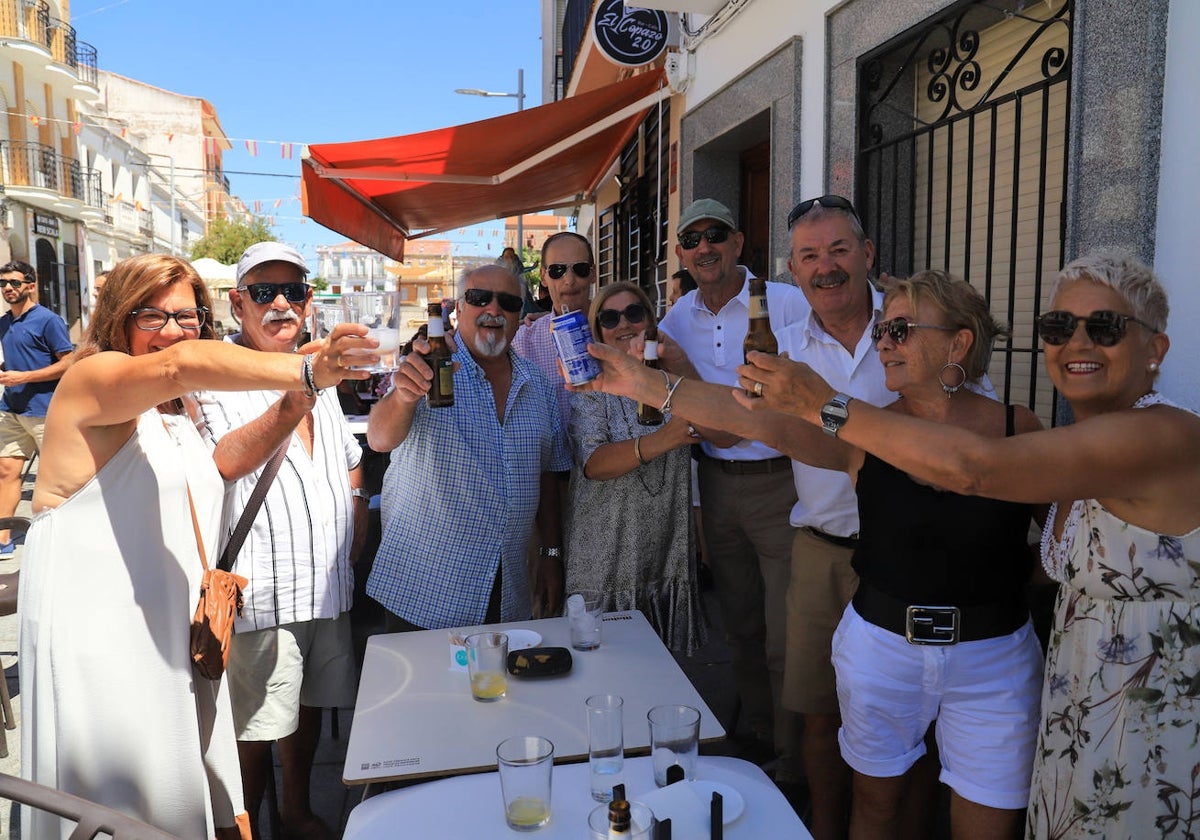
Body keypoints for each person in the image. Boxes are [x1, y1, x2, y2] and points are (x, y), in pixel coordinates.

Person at [733, 250, 1200, 839]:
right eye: (1058, 328)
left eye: (1103, 327)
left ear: (1155, 350)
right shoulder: (1077, 444)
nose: (1076, 343)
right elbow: (1057, 558)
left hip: (1150, 710)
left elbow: (970, 469)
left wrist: (818, 401)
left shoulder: (1157, 435)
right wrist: (647, 384)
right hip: (1083, 702)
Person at [574, 269, 1046, 838]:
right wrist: (648, 386)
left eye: (900, 329)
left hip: (994, 656)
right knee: (874, 806)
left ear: (959, 342)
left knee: (990, 820)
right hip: (883, 646)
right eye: (881, 331)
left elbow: (1059, 543)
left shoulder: (1018, 427)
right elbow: (752, 418)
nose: (884, 343)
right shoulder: (866, 428)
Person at [17, 253, 371, 839]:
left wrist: (312, 367)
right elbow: (181, 365)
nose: (174, 330)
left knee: (180, 798)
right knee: (115, 801)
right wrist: (306, 374)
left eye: (188, 317)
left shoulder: (173, 413)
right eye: (151, 315)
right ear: (116, 318)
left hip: (171, 637)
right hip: (102, 638)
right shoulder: (93, 378)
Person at [193, 242, 367, 840]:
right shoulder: (218, 373)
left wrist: (355, 519)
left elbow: (347, 461)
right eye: (263, 293)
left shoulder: (319, 368)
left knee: (309, 709)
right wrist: (302, 391)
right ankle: (244, 828)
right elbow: (226, 460)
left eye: (292, 291)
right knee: (254, 729)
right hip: (263, 588)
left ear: (309, 301)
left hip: (325, 583)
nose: (280, 304)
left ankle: (295, 813)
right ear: (238, 303)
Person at [657, 198, 811, 790]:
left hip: (784, 481)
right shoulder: (676, 319)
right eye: (691, 239)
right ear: (681, 254)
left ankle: (797, 753)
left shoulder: (787, 301)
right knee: (740, 623)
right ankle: (760, 733)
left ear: (739, 241)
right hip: (717, 483)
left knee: (785, 630)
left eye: (714, 234)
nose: (704, 247)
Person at [367, 264, 571, 629]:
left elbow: (548, 478)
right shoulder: (424, 366)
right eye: (479, 298)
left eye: (508, 302)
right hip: (424, 592)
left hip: (508, 589)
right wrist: (403, 396)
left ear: (518, 314)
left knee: (502, 686)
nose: (493, 310)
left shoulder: (538, 385)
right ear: (459, 309)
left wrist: (551, 555)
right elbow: (379, 439)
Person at [565, 281, 707, 654]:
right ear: (598, 334)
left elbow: (718, 424)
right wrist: (667, 438)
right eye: (610, 318)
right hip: (607, 556)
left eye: (634, 313)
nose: (623, 324)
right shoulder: (593, 385)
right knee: (604, 671)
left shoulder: (671, 381)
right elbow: (594, 464)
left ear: (650, 320)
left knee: (664, 677)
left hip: (665, 550)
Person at [0, 260, 74, 558]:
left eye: (14, 283)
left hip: (46, 409)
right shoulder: (4, 322)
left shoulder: (48, 320)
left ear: (30, 285)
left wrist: (25, 376)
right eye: (3, 283)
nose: (8, 288)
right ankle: (3, 537)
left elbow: (68, 361)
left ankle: (63, 539)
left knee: (56, 478)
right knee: (5, 471)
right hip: (12, 408)